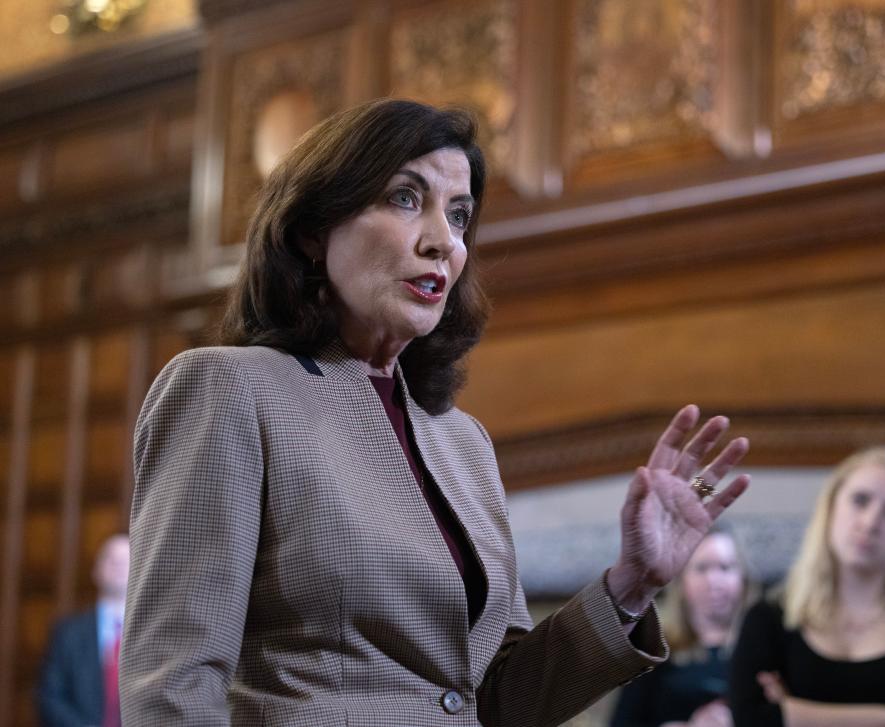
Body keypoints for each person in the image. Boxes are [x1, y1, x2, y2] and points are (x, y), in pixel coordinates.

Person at [119, 98, 753, 726]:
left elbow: (496, 702)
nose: (442, 242)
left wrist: (631, 586)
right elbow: (174, 685)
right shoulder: (228, 389)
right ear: (313, 230)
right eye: (404, 198)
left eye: (458, 216)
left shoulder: (463, 443)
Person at [728, 446, 885, 727]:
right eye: (860, 500)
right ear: (831, 507)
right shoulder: (769, 618)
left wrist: (796, 713)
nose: (870, 523)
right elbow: (752, 719)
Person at [610, 523, 751, 727]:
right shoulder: (652, 650)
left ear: (742, 579)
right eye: (701, 568)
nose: (714, 581)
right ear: (682, 582)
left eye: (725, 567)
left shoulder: (764, 648)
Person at [38, 533, 129, 727]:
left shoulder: (150, 635)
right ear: (96, 570)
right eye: (112, 559)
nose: (119, 566)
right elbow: (50, 696)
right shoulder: (68, 633)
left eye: (126, 561)